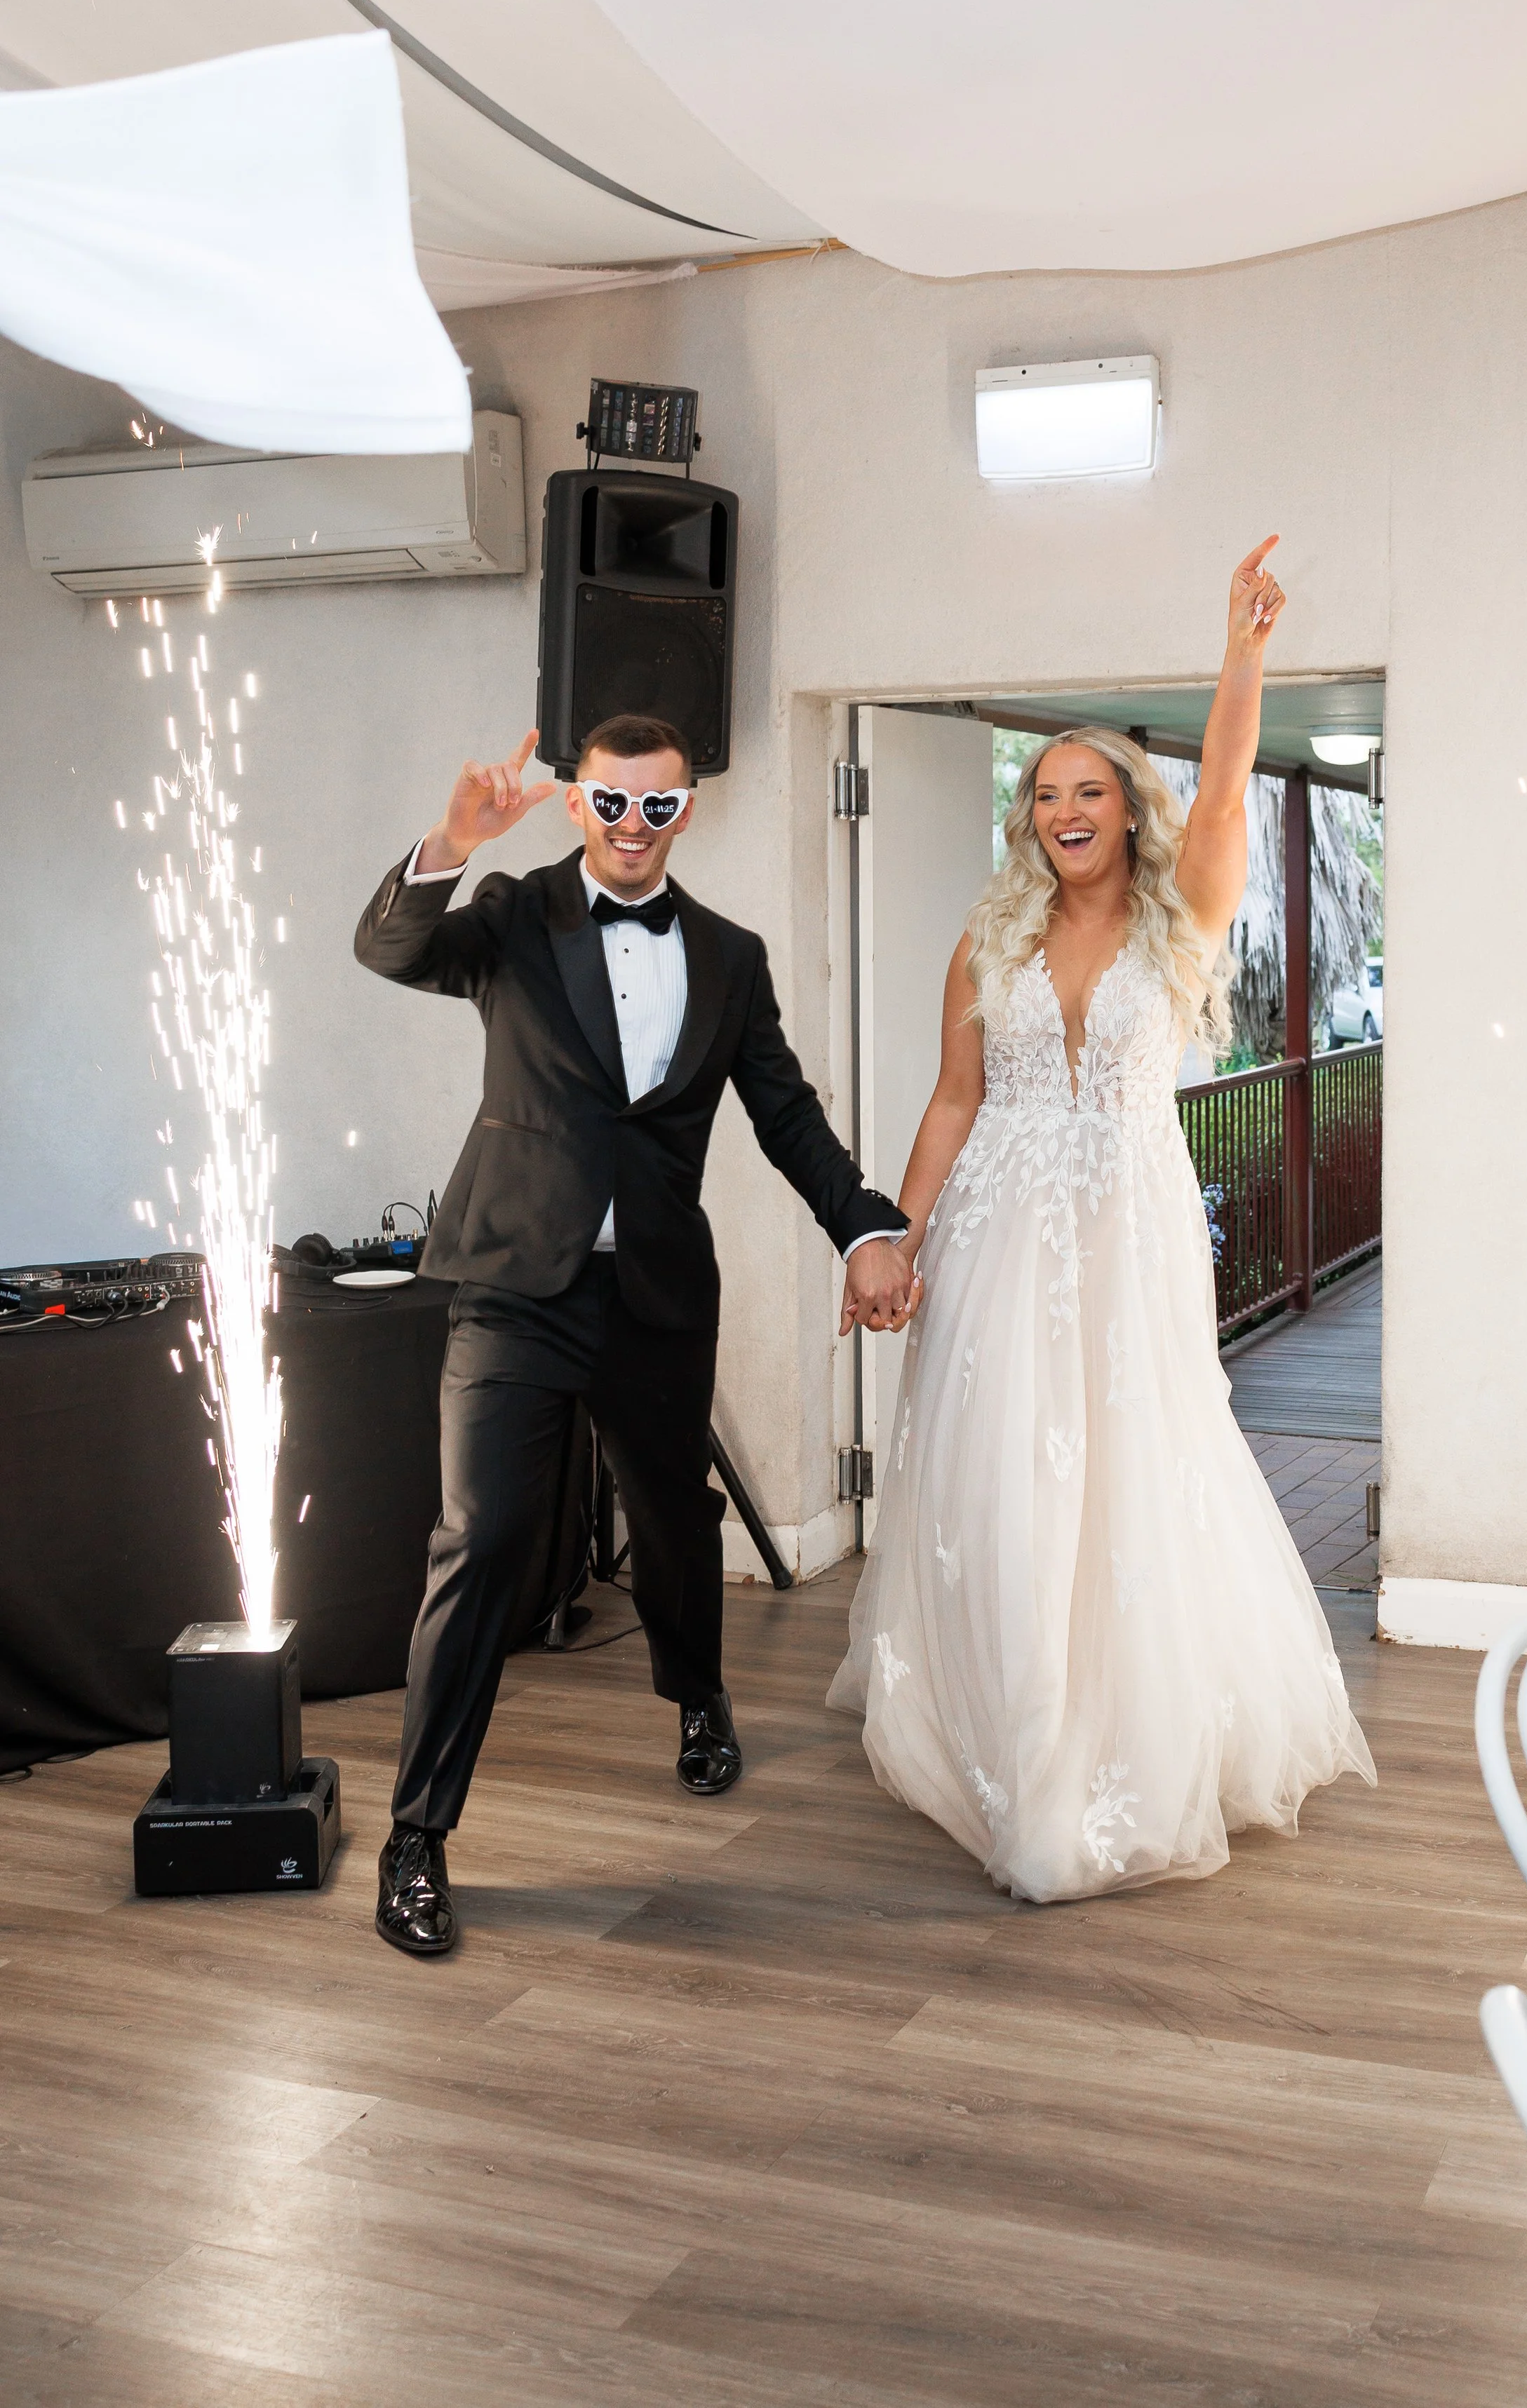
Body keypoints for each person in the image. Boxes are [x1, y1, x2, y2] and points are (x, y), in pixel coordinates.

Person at [828, 541, 1376, 1902]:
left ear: (1126, 811)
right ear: (1029, 824)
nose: (1062, 809)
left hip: (1127, 1236)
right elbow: (953, 1103)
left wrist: (1240, 657)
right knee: (1003, 1480)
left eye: (1086, 791)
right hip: (1000, 1237)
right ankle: (1013, 1744)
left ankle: (1120, 1741)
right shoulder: (986, 939)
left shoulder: (1179, 921)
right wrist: (889, 1239)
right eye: (1041, 795)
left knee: (1128, 1471)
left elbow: (1231, 789)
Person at [357, 713, 915, 1956]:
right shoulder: (511, 915)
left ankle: (698, 1694)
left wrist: (866, 1226)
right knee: (482, 1536)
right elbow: (387, 946)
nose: (630, 826)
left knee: (673, 1520)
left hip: (656, 1294)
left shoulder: (728, 955)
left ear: (686, 812)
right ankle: (418, 1838)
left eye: (656, 807)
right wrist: (453, 836)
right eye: (610, 803)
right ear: (574, 803)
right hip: (513, 1282)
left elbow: (788, 1118)